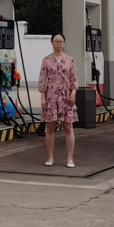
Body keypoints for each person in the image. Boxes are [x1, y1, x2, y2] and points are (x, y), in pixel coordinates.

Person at [38, 33, 78, 168]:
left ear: (64, 43)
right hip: (51, 96)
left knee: (68, 127)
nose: (58, 44)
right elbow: (43, 79)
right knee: (50, 127)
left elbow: (74, 78)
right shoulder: (46, 60)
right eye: (56, 41)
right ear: (52, 43)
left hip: (66, 96)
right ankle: (50, 157)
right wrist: (42, 97)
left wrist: (73, 93)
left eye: (60, 41)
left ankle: (70, 158)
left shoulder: (70, 60)